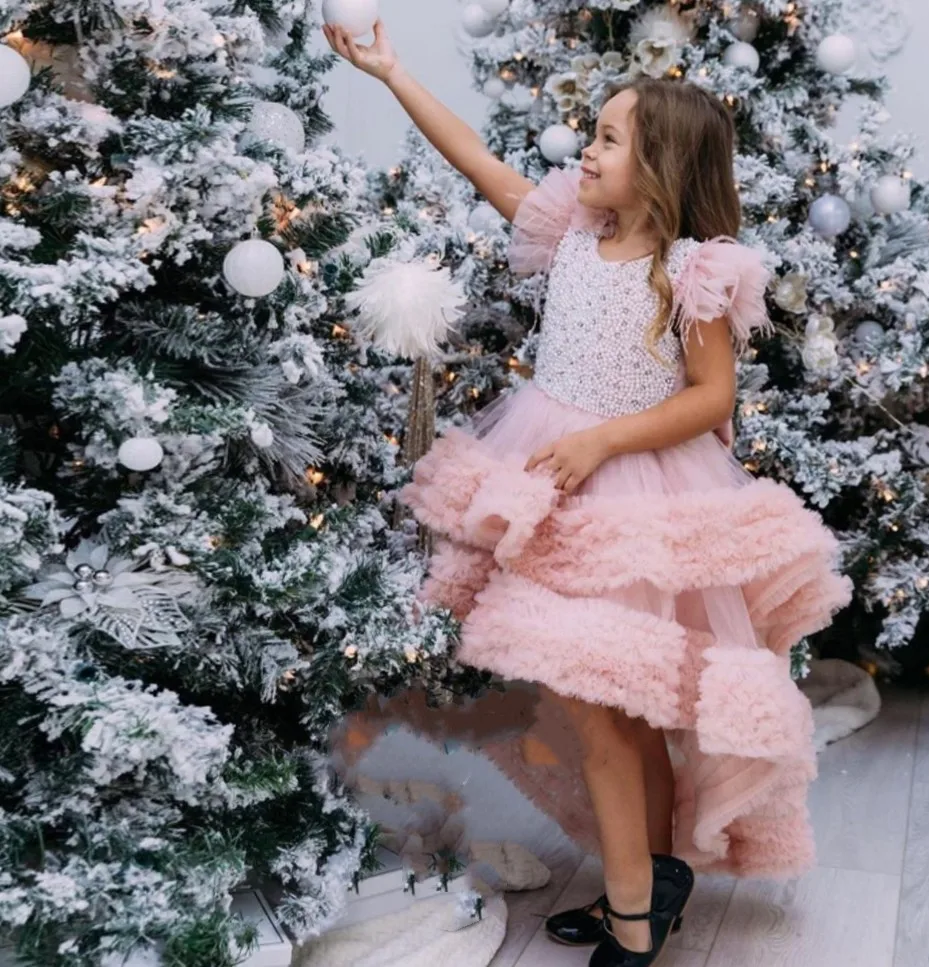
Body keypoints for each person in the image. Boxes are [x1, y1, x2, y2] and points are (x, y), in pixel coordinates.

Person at [325, 20, 852, 967]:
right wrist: (391, 70)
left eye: (609, 138)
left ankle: (634, 911)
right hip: (545, 485)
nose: (587, 149)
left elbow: (712, 398)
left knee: (616, 711)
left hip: (635, 506)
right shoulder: (570, 231)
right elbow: (475, 159)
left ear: (658, 166)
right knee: (605, 703)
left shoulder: (687, 271)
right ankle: (645, 879)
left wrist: (602, 437)